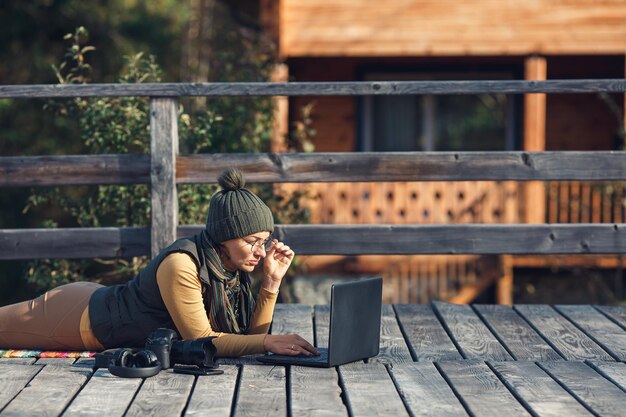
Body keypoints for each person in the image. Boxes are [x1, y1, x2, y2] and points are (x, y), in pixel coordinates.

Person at [0, 167, 318, 358]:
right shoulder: (182, 265)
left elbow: (248, 335)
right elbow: (202, 340)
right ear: (224, 237)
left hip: (100, 301)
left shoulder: (230, 270)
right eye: (251, 242)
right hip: (77, 319)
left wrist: (272, 283)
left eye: (263, 241)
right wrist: (266, 342)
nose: (260, 251)